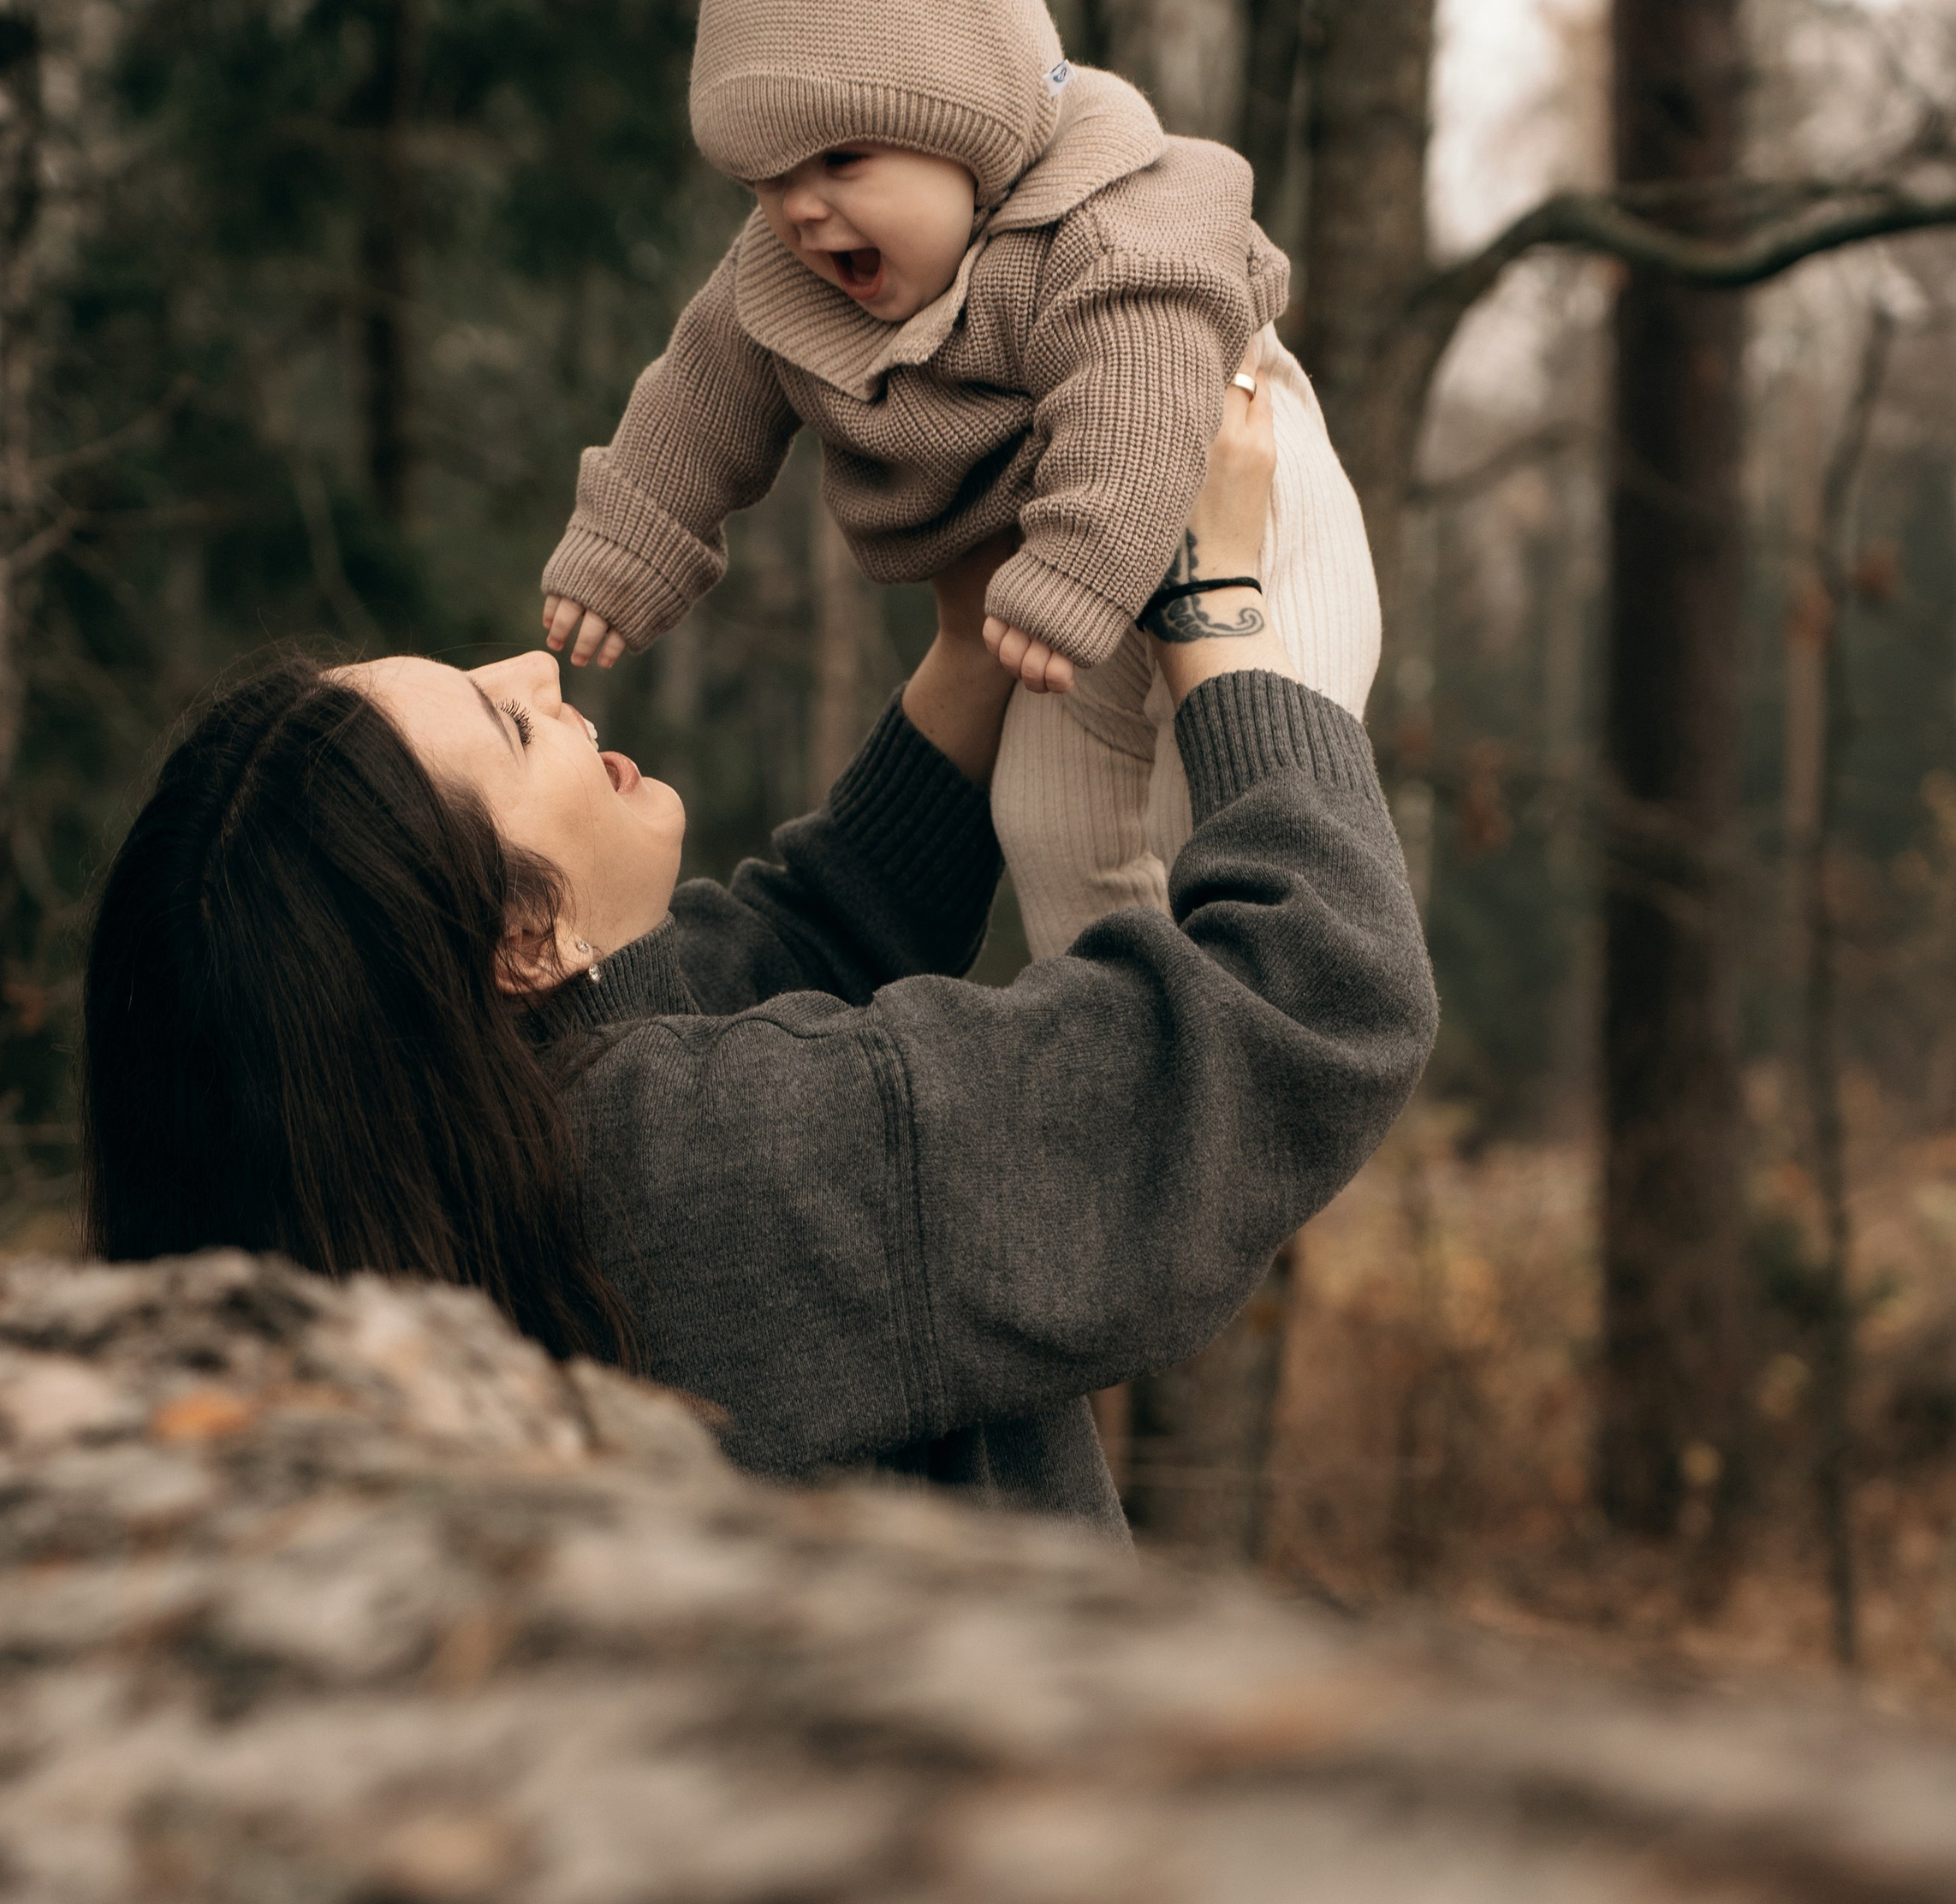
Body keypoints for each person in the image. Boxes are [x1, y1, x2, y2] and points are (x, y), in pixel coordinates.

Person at [85, 385, 1435, 1538]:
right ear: (517, 941)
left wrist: (974, 645)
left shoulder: (444, 1170)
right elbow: (1310, 1000)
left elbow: (808, 944)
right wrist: (1217, 608)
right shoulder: (724, 1174)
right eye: (507, 728)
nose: (541, 675)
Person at [538, 0, 1380, 958]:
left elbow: (1137, 396)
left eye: (843, 158)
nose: (801, 207)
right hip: (1050, 568)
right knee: (1047, 824)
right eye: (768, 179)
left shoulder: (1112, 220)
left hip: (1237, 509)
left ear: (974, 132)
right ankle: (1128, 1065)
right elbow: (697, 401)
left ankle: (1270, 1048)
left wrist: (1084, 565)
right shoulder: (784, 277)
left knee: (1226, 800)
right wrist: (630, 541)